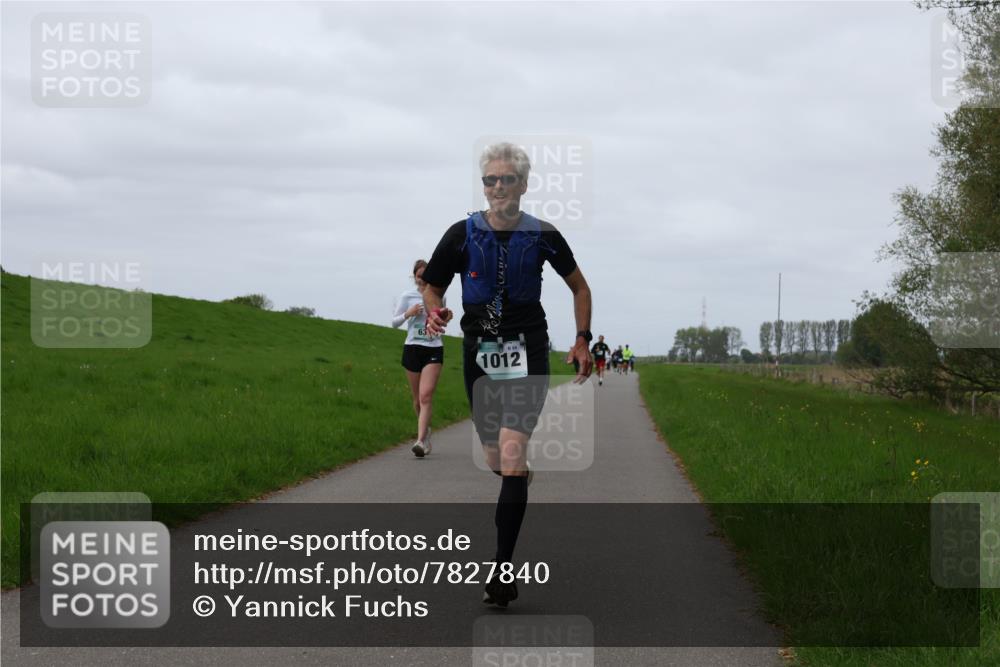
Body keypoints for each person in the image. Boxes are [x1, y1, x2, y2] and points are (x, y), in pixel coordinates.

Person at [423, 142, 593, 608]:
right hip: (480, 353)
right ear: (483, 186)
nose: (498, 187)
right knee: (497, 459)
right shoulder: (461, 234)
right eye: (490, 180)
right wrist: (433, 309)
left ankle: (501, 569)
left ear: (524, 184)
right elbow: (433, 284)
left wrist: (582, 338)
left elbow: (579, 286)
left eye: (507, 179)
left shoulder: (543, 234)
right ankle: (515, 476)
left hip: (529, 350)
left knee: (513, 455)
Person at [392, 259, 445, 458]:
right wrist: (409, 313)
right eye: (418, 275)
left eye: (425, 274)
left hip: (433, 347)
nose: (421, 278)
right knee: (417, 400)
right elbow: (394, 323)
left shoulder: (439, 295)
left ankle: (420, 441)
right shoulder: (408, 296)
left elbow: (440, 318)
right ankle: (427, 432)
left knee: (426, 396)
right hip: (413, 348)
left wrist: (445, 316)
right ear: (414, 276)